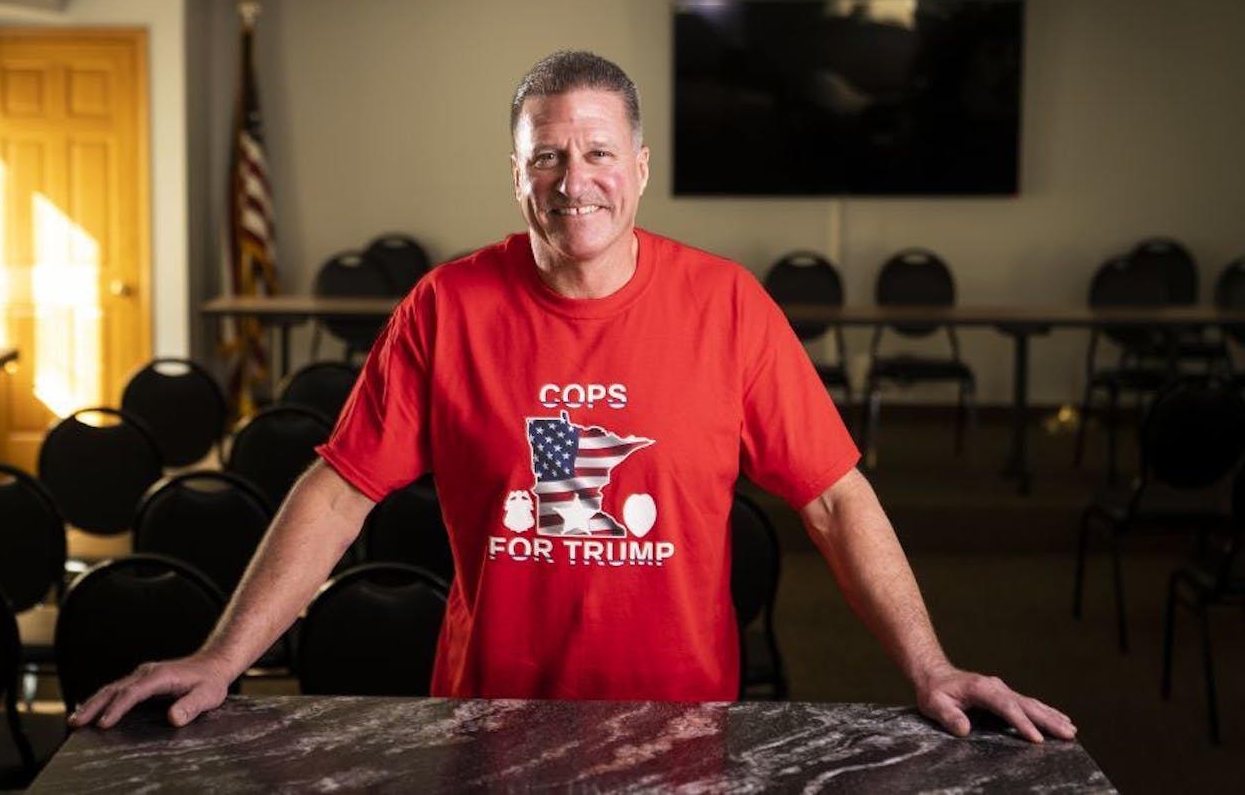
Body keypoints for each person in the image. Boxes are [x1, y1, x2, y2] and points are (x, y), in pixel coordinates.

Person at [71, 51, 1076, 743]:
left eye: (597, 151)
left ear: (637, 167)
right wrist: (221, 657)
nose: (573, 178)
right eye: (546, 153)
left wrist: (928, 664)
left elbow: (832, 497)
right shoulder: (445, 304)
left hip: (680, 731)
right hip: (485, 725)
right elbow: (339, 489)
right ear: (515, 172)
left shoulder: (726, 305)